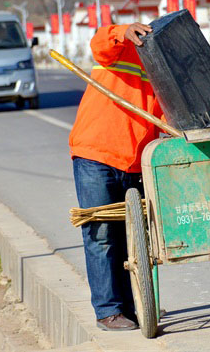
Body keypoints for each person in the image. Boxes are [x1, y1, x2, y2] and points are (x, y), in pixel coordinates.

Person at [69, 22, 163, 331]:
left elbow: (166, 118)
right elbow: (99, 45)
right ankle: (107, 311)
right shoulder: (123, 48)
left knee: (129, 239)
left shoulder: (166, 71)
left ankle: (129, 309)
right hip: (96, 153)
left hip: (133, 162)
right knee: (101, 234)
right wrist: (121, 31)